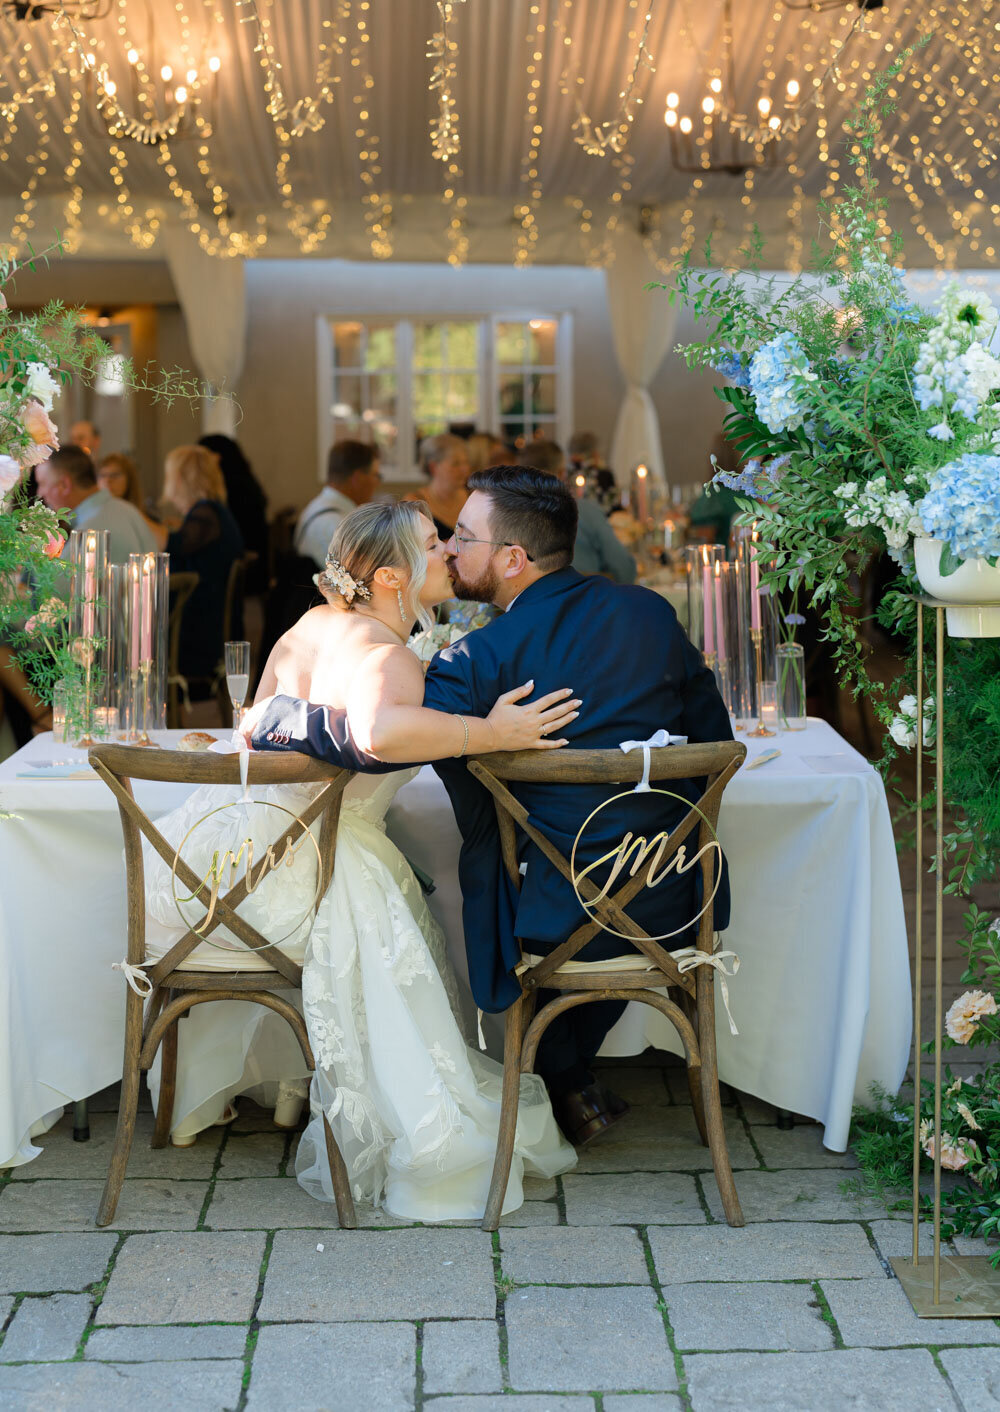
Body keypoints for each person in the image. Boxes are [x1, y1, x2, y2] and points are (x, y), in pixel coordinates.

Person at [247, 465, 733, 1147]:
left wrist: (277, 716)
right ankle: (569, 1076)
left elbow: (383, 743)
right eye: (444, 540)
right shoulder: (651, 612)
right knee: (584, 901)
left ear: (511, 559)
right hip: (676, 892)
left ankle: (554, 1071)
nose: (450, 549)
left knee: (493, 873)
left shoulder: (478, 660)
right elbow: (716, 744)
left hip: (548, 910)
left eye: (463, 537)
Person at [141, 500, 576, 1215]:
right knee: (385, 899)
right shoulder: (387, 655)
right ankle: (407, 1133)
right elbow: (378, 732)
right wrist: (489, 731)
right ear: (389, 578)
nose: (447, 556)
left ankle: (279, 1089)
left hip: (224, 870)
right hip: (312, 872)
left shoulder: (307, 629)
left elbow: (261, 725)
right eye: (434, 546)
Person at [163, 445, 244, 685]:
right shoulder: (212, 512)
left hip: (199, 639)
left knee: (129, 638)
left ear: (179, 479)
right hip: (210, 627)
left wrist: (134, 517)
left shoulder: (206, 514)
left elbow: (174, 544)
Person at [519, 440, 637, 584]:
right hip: (585, 602)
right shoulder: (585, 512)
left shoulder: (505, 516)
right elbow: (624, 570)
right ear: (561, 473)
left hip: (530, 604)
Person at [36, 445, 155, 564]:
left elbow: (51, 581)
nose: (40, 493)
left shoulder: (90, 530)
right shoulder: (127, 509)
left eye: (42, 483)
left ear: (65, 485)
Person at [199, 435, 270, 596]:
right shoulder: (244, 483)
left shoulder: (232, 490)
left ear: (216, 458)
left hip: (248, 570)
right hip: (255, 563)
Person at [295, 440, 381, 572]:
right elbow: (357, 581)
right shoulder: (333, 525)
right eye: (375, 475)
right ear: (357, 479)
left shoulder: (320, 507)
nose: (377, 483)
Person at [404, 433, 470, 540]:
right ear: (433, 467)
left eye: (466, 462)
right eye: (456, 464)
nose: (464, 469)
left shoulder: (472, 497)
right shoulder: (414, 504)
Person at [97, 452, 167, 548]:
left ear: (129, 480)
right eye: (103, 475)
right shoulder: (93, 516)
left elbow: (161, 543)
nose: (108, 480)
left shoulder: (145, 516)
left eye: (115, 475)